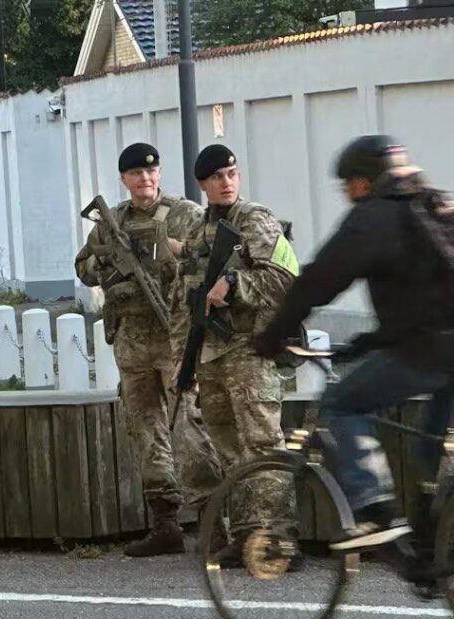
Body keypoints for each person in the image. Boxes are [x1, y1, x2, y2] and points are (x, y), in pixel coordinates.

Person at [254, 136, 454, 554]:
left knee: (341, 403)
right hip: (437, 346)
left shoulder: (375, 217)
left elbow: (319, 280)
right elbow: (426, 296)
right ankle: (433, 551)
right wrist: (365, 344)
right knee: (429, 449)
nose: (346, 193)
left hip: (428, 350)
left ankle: (374, 510)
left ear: (364, 181)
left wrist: (273, 336)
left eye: (347, 183)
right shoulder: (436, 205)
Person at [74, 143, 222, 557]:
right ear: (124, 179)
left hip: (174, 338)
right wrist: (108, 262)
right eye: (136, 173)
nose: (145, 179)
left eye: (151, 173)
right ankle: (165, 523)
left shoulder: (185, 214)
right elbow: (83, 267)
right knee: (145, 430)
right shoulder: (110, 221)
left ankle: (213, 524)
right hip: (131, 341)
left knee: (187, 426)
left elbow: (211, 257)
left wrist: (175, 251)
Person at [178, 144, 299, 565]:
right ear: (202, 184)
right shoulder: (198, 231)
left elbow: (285, 279)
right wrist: (187, 361)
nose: (226, 182)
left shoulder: (255, 220)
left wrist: (235, 282)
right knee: (230, 450)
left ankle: (278, 539)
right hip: (210, 356)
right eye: (217, 177)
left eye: (231, 174)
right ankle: (248, 535)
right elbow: (188, 300)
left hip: (250, 352)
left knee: (263, 447)